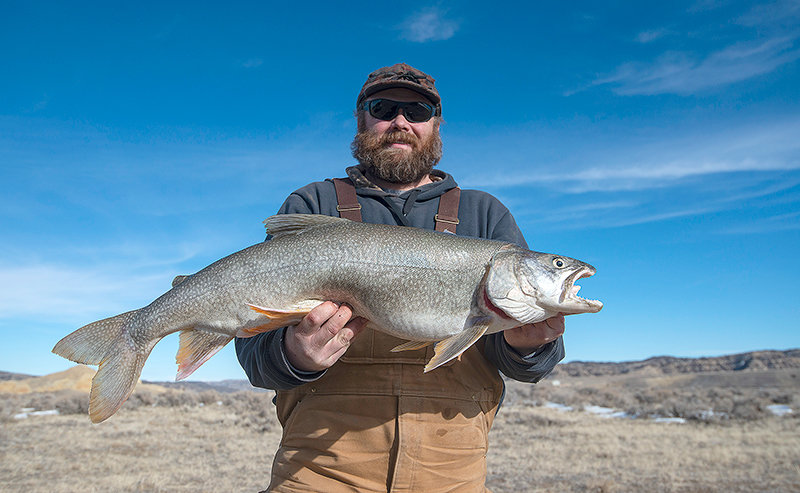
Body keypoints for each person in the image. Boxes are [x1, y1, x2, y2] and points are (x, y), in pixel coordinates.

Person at [236, 63, 566, 493]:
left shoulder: (485, 215)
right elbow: (253, 348)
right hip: (319, 474)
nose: (400, 122)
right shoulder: (313, 203)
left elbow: (528, 366)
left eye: (418, 111)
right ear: (361, 120)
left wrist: (530, 345)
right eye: (384, 107)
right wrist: (294, 355)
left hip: (452, 476)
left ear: (436, 125)